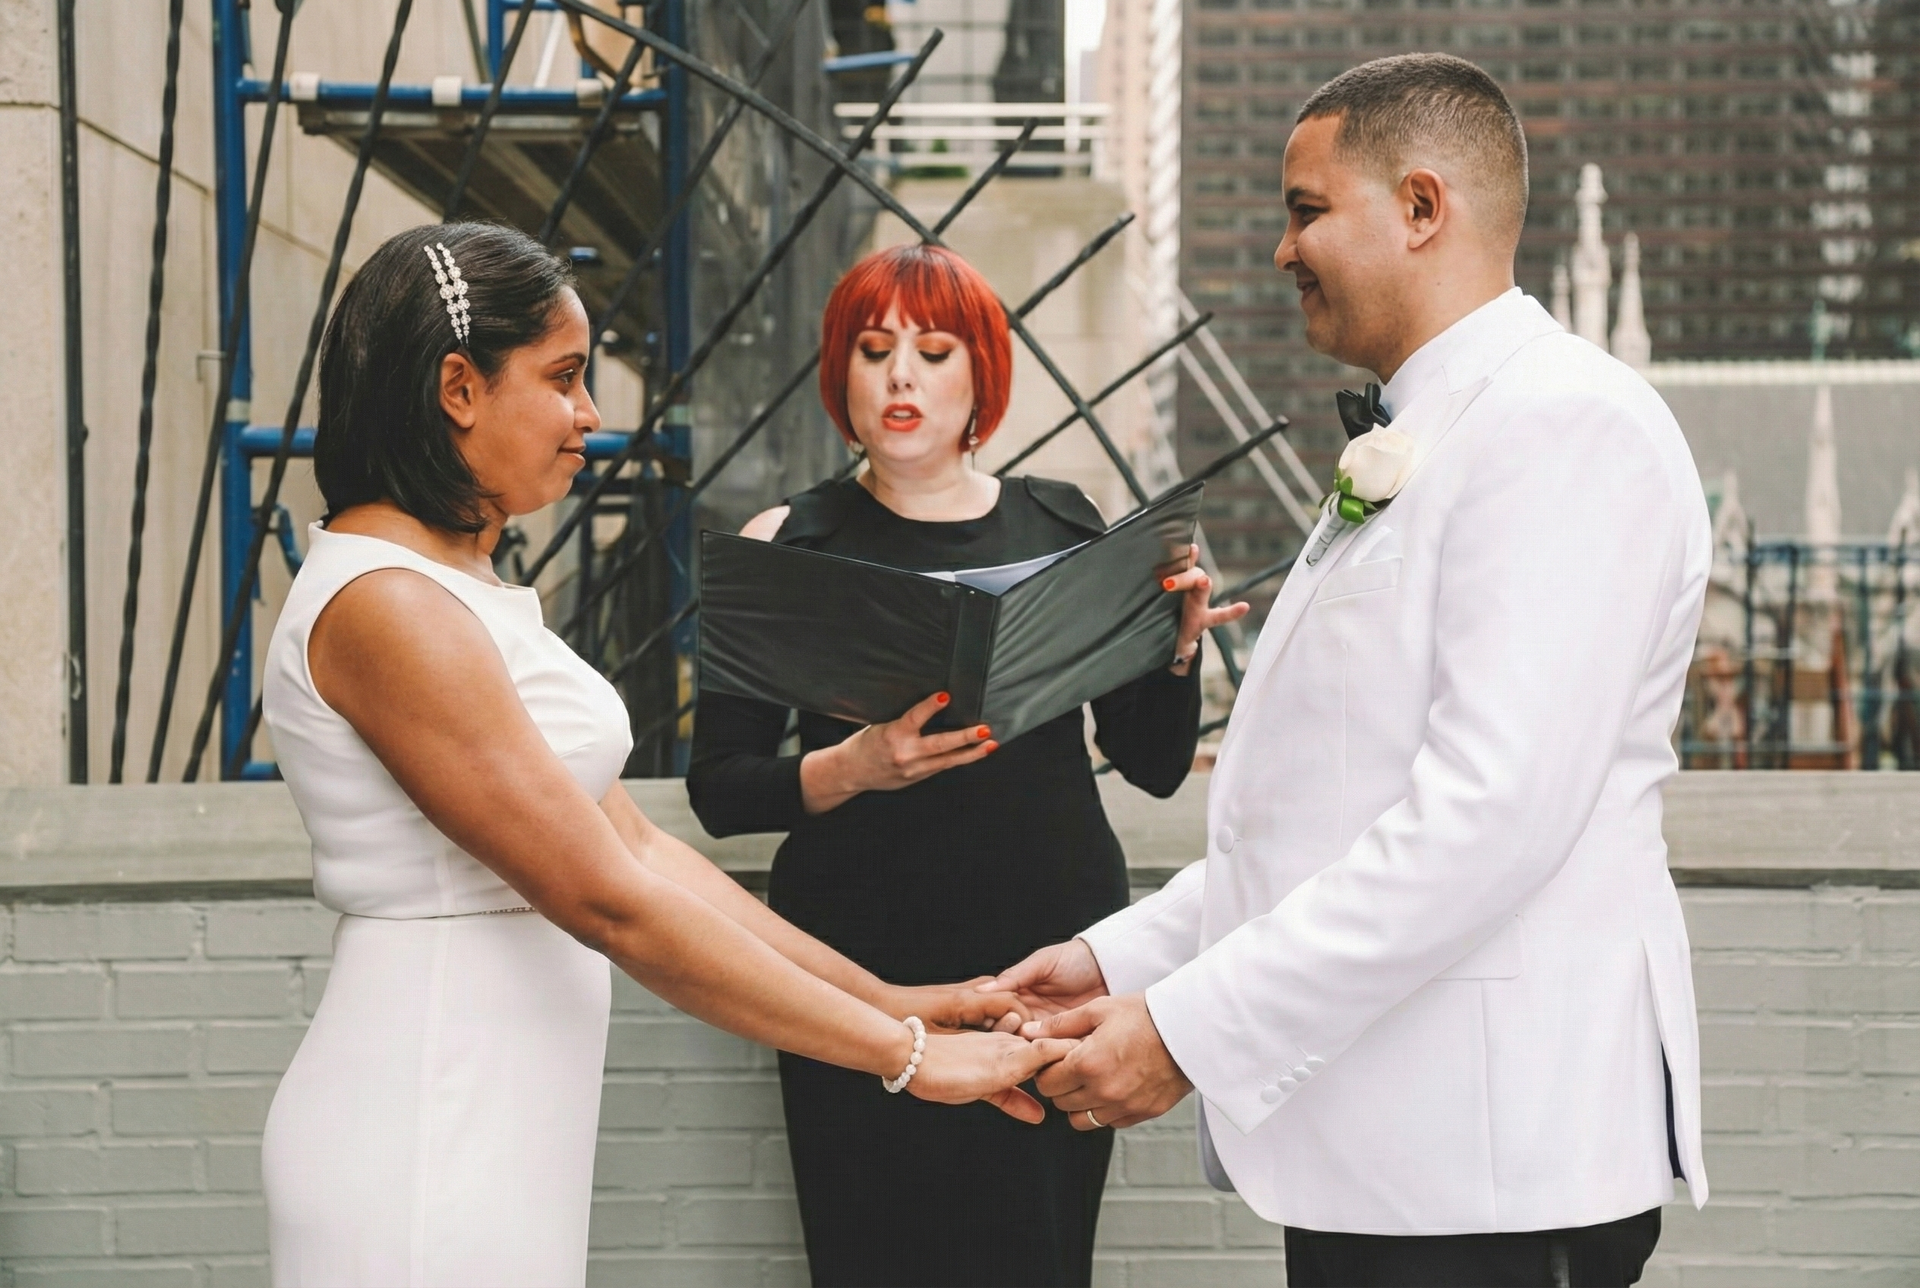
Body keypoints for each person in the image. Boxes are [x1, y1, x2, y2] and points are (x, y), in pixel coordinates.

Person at [989, 54, 1713, 1288]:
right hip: (1403, 1160)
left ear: (1423, 207)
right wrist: (1126, 961)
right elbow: (1334, 812)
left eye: (1306, 209)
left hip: (1492, 1171)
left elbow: (1482, 820)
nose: (1283, 249)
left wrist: (1187, 1031)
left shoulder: (1562, 426)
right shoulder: (1429, 430)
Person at [258, 223, 1070, 1288]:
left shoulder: (459, 583)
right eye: (563, 377)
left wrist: (889, 995)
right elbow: (610, 902)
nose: (591, 413)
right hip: (427, 1106)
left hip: (501, 1103)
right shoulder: (386, 606)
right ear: (459, 386)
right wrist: (907, 1058)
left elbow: (637, 847)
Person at [686, 242, 1248, 1288]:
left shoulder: (1066, 527)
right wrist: (853, 765)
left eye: (935, 350)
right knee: (868, 1252)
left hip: (1040, 948)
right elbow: (719, 788)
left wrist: (1175, 654)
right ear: (839, 376)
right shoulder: (788, 542)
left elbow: (1156, 765)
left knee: (1033, 1253)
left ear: (981, 374)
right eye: (874, 349)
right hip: (855, 966)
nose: (902, 375)